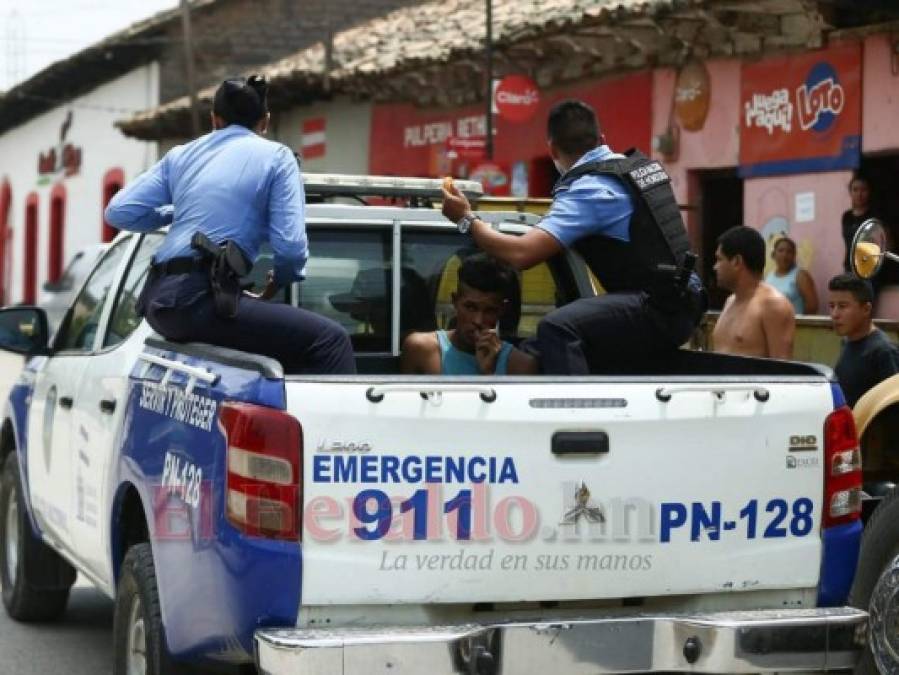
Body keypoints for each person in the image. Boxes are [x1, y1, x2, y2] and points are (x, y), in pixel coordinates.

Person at [104, 75, 355, 374]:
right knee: (332, 340)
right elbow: (289, 248)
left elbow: (118, 212)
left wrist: (175, 213)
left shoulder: (181, 155)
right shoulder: (278, 157)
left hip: (158, 302)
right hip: (199, 300)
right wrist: (282, 278)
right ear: (265, 122)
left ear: (215, 119)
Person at [440, 100, 704, 375]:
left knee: (557, 327)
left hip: (660, 308)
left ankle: (575, 410)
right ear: (602, 139)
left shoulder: (591, 190)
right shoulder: (631, 171)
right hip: (679, 302)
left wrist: (467, 219)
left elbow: (521, 255)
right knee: (536, 350)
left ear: (552, 148)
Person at [401, 254, 537, 375]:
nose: (478, 321)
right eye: (470, 307)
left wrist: (488, 374)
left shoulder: (519, 365)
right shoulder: (423, 349)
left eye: (489, 311)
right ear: (455, 301)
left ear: (502, 309)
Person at [713, 226, 795, 359]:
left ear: (736, 262)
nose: (715, 267)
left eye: (719, 259)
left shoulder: (773, 305)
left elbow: (782, 371)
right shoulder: (729, 301)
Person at [829, 273, 899, 408]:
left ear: (866, 309)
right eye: (832, 306)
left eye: (842, 306)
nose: (835, 314)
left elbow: (893, 410)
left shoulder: (883, 352)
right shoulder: (847, 342)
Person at [765, 236, 818, 315]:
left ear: (794, 256)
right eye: (781, 251)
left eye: (789, 252)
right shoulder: (769, 277)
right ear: (774, 254)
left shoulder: (800, 276)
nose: (785, 255)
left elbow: (812, 306)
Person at [842, 175, 876, 274]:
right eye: (855, 190)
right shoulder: (846, 217)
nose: (859, 194)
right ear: (850, 192)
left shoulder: (875, 216)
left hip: (868, 269)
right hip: (849, 268)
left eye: (863, 190)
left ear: (869, 192)